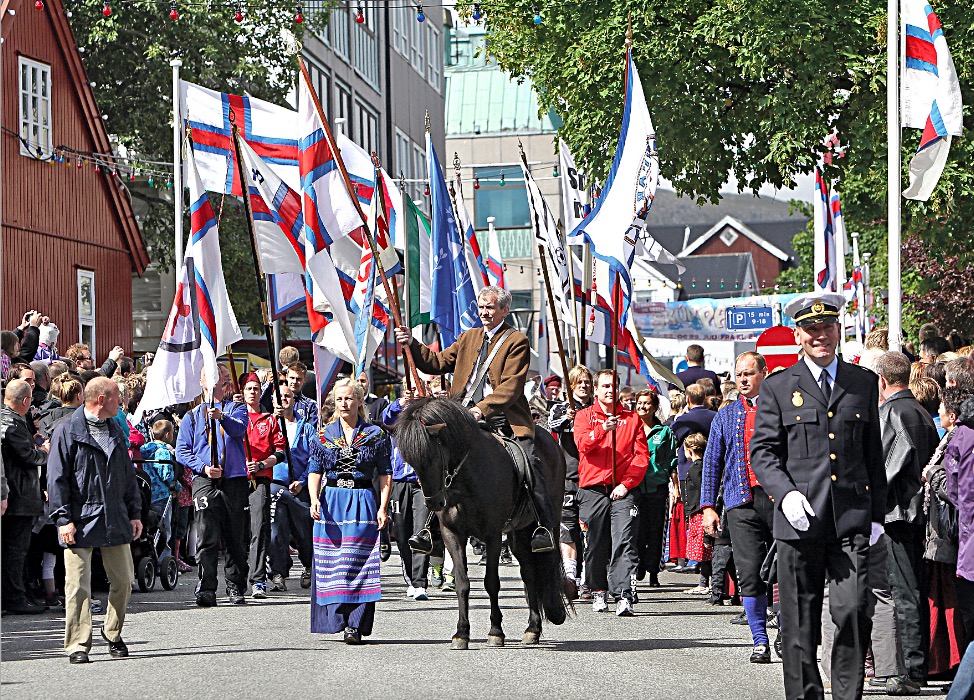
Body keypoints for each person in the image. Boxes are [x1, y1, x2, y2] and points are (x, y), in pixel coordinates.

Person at [750, 292, 886, 700]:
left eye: (827, 328)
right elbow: (763, 452)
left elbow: (872, 453)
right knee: (798, 623)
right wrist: (785, 494)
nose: (820, 336)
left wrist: (877, 515)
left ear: (839, 330)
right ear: (799, 335)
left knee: (852, 611)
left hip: (850, 520)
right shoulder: (777, 386)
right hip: (799, 521)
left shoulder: (862, 382)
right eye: (811, 330)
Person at [394, 285, 556, 553]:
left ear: (505, 310)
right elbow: (436, 362)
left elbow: (511, 387)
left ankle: (542, 525)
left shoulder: (517, 341)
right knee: (436, 459)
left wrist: (481, 409)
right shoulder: (468, 337)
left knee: (530, 462)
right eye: (481, 307)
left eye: (490, 307)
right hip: (461, 418)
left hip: (504, 420)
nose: (484, 312)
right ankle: (428, 529)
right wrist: (411, 342)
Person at [47, 377, 142, 664]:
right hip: (78, 519)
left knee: (124, 581)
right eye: (117, 397)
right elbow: (56, 479)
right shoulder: (67, 431)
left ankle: (112, 632)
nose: (121, 402)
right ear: (101, 399)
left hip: (114, 516)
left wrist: (135, 512)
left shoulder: (115, 429)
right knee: (77, 586)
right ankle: (77, 644)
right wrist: (63, 519)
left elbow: (127, 475)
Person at [701, 351, 776, 664]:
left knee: (786, 569)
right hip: (740, 502)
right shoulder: (726, 415)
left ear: (763, 373)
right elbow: (711, 462)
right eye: (739, 374)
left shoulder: (778, 409)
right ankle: (760, 639)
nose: (743, 380)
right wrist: (708, 506)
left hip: (777, 500)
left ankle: (786, 631)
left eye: (749, 373)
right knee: (749, 573)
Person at [307, 378, 392, 644]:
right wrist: (313, 499)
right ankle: (337, 620)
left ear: (359, 401)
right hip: (331, 501)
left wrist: (383, 506)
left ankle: (355, 625)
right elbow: (314, 470)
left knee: (359, 562)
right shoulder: (323, 435)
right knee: (332, 564)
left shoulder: (376, 435)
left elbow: (386, 474)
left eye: (349, 398)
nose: (344, 403)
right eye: (340, 399)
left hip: (362, 498)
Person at [875, 350, 941, 687]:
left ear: (882, 380)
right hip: (920, 513)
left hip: (899, 514)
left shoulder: (891, 413)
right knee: (911, 586)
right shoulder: (922, 412)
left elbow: (886, 468)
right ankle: (914, 665)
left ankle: (912, 667)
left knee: (903, 589)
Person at [574, 369, 649, 617]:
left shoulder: (633, 419)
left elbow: (641, 457)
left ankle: (623, 593)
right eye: (605, 386)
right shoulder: (584, 416)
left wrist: (626, 484)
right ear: (596, 390)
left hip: (622, 489)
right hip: (592, 487)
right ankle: (597, 589)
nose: (609, 390)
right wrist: (602, 430)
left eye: (613, 386)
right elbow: (582, 445)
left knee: (624, 539)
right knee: (595, 542)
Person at [175, 364, 250, 607]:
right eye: (219, 378)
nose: (224, 382)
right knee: (206, 533)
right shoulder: (192, 416)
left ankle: (236, 584)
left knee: (235, 534)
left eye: (226, 378)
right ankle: (206, 586)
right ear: (205, 382)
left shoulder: (237, 408)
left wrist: (222, 417)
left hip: (234, 479)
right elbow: (182, 450)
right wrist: (203, 467)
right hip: (205, 478)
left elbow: (239, 430)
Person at [0, 379, 48, 615]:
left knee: (13, 550)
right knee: (16, 551)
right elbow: (28, 457)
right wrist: (45, 452)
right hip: (18, 495)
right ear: (26, 401)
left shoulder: (8, 420)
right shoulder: (12, 424)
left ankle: (17, 595)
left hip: (12, 494)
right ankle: (14, 598)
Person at [548, 365, 594, 593]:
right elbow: (551, 426)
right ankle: (569, 577)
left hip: (592, 478)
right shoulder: (560, 408)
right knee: (567, 529)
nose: (584, 386)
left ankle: (589, 577)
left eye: (587, 382)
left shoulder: (597, 409)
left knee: (589, 531)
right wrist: (568, 418)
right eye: (579, 382)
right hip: (567, 477)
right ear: (571, 385)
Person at [381, 386, 430, 600]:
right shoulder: (398, 414)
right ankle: (410, 578)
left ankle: (420, 583)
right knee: (401, 533)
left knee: (420, 531)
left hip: (421, 483)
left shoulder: (428, 413)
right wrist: (401, 403)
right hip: (399, 482)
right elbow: (387, 419)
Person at [241, 372, 286, 599]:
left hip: (260, 480)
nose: (252, 392)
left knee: (259, 528)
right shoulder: (235, 417)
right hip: (237, 479)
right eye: (248, 388)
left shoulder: (269, 420)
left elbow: (279, 452)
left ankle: (258, 580)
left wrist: (260, 465)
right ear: (242, 392)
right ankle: (237, 578)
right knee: (239, 530)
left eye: (256, 388)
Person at [268, 384, 316, 592]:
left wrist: (303, 481)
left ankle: (308, 566)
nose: (283, 400)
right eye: (279, 397)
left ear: (294, 400)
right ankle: (278, 572)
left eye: (287, 396)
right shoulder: (268, 424)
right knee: (275, 531)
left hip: (299, 487)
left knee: (304, 531)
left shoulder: (306, 427)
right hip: (275, 486)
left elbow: (315, 458)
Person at [633, 389, 677, 588]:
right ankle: (638, 566)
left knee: (656, 531)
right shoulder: (631, 429)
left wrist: (674, 486)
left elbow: (670, 461)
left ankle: (653, 572)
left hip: (657, 487)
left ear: (655, 407)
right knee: (637, 531)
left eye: (647, 403)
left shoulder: (664, 432)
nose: (642, 406)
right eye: (639, 402)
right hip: (635, 487)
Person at [139, 419, 179, 558]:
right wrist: (176, 486)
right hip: (162, 494)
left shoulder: (146, 450)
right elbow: (166, 473)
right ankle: (164, 558)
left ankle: (150, 554)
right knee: (164, 528)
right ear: (167, 434)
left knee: (152, 525)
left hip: (149, 492)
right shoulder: (163, 452)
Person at [682, 433, 713, 596]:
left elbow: (702, 489)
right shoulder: (705, 467)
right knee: (704, 550)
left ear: (689, 450)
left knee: (703, 549)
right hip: (700, 511)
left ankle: (704, 583)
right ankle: (707, 582)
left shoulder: (695, 469)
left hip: (699, 512)